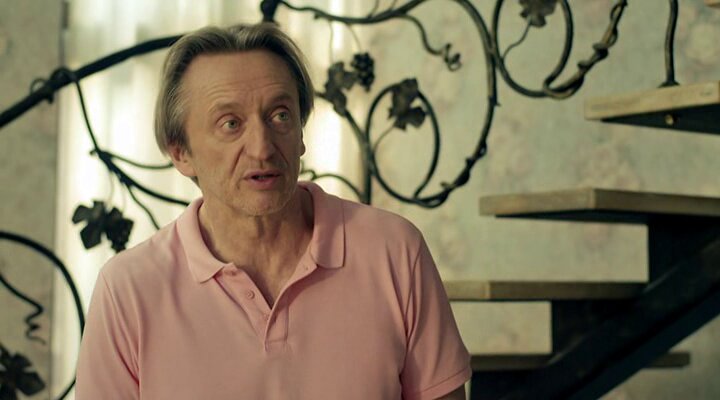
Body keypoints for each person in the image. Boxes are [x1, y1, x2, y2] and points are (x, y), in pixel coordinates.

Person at [75, 23, 471, 400]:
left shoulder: (394, 251)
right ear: (180, 153)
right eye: (231, 124)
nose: (263, 147)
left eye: (280, 115)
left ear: (301, 133)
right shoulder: (127, 290)